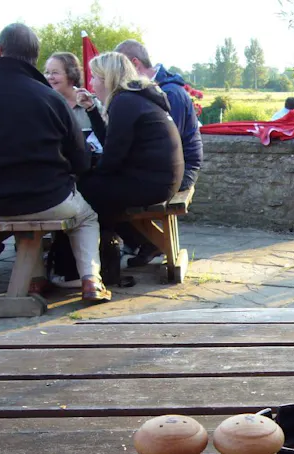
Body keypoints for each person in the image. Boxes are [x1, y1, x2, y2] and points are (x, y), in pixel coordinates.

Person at [0, 23, 111, 301]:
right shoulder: (51, 98)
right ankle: (91, 281)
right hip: (48, 200)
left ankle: (35, 281)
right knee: (86, 217)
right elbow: (80, 161)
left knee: (22, 215)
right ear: (35, 58)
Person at [74, 52, 184, 277]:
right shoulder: (135, 97)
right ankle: (141, 243)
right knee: (94, 187)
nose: (91, 82)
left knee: (85, 190)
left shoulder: (124, 102)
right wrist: (92, 110)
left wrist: (89, 173)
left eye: (94, 77)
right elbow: (113, 143)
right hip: (164, 178)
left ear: (108, 78)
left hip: (153, 183)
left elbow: (113, 158)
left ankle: (99, 260)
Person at [114, 40, 201, 267]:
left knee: (100, 194)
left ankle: (146, 242)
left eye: (120, 66)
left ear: (134, 63)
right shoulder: (150, 90)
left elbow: (171, 148)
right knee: (106, 187)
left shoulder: (170, 92)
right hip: (163, 167)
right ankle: (145, 242)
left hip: (182, 169)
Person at [43, 52, 93, 132]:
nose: (49, 77)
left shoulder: (92, 104)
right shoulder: (44, 104)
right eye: (47, 72)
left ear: (71, 74)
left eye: (55, 72)